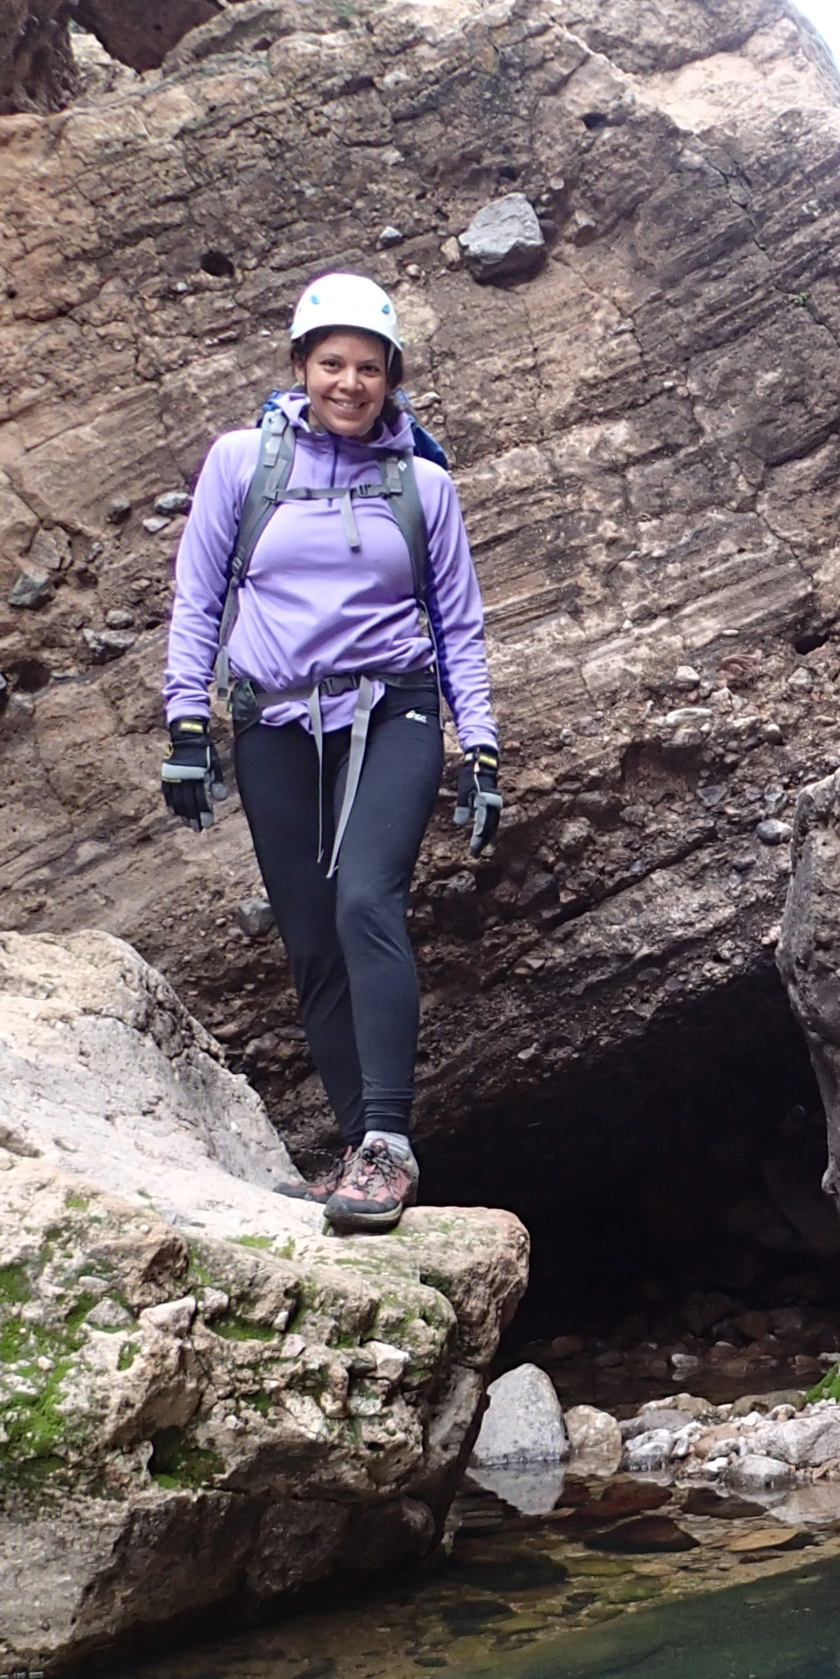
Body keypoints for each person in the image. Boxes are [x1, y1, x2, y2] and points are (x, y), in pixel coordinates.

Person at [159, 272, 501, 1233]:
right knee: (310, 939)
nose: (350, 383)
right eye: (331, 364)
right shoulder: (240, 463)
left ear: (392, 376)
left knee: (364, 899)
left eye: (369, 368)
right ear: (300, 367)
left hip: (393, 710)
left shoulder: (423, 484)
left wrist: (481, 744)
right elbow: (200, 598)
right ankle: (357, 1153)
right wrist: (187, 725)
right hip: (272, 717)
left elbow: (459, 626)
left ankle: (389, 1142)